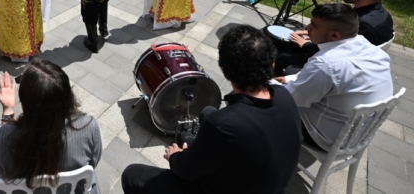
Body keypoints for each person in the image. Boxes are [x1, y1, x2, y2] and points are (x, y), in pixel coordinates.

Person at [121, 25, 302, 194]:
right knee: (208, 111)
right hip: (267, 185)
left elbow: (186, 171)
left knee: (133, 174)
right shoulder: (284, 96)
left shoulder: (224, 124)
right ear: (272, 64)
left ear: (223, 66)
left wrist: (175, 156)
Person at [278, 4, 393, 151]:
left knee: (263, 103)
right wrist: (290, 79)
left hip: (325, 138)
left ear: (334, 35)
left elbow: (292, 99)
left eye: (314, 25)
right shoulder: (372, 49)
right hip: (358, 135)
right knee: (288, 78)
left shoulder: (326, 63)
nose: (308, 27)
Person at [0, 61, 102, 193]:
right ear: (68, 99)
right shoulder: (89, 127)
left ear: (24, 107)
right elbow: (93, 163)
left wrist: (8, 110)